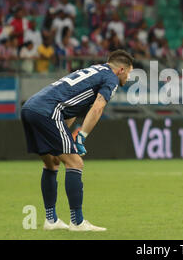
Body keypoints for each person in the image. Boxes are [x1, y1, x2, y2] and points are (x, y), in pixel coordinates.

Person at [20, 50, 134, 231]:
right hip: (49, 110)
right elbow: (98, 107)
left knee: (53, 162)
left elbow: (71, 110)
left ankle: (51, 220)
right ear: (121, 69)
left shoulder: (94, 71)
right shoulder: (111, 79)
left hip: (30, 107)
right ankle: (78, 222)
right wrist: (82, 136)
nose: (128, 78)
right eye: (129, 73)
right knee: (75, 163)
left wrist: (67, 135)